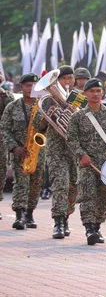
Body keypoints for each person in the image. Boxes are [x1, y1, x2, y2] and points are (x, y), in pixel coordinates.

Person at [65, 78, 106, 245]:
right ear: (85, 93)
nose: (95, 94)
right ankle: (89, 228)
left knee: (103, 197)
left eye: (98, 91)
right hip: (87, 163)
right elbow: (71, 139)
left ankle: (97, 225)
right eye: (91, 91)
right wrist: (81, 155)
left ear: (102, 92)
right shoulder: (78, 116)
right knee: (88, 195)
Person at [33, 66, 78, 239]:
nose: (67, 82)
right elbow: (38, 125)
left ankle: (66, 216)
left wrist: (76, 114)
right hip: (56, 149)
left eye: (70, 78)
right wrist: (47, 116)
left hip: (75, 150)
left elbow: (89, 122)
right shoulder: (47, 99)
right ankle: (58, 222)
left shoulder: (80, 98)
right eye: (64, 78)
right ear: (58, 81)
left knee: (74, 185)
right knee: (60, 183)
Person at [0, 73, 44, 230]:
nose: (30, 88)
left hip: (38, 151)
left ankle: (30, 213)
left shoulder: (42, 106)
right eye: (27, 86)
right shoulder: (12, 107)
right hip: (20, 151)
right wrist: (14, 147)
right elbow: (4, 129)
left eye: (33, 86)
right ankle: (19, 214)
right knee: (20, 183)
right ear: (21, 87)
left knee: (36, 184)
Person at [0, 71, 15, 221]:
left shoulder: (6, 97)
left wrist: (3, 95)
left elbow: (10, 112)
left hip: (1, 141)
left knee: (1, 172)